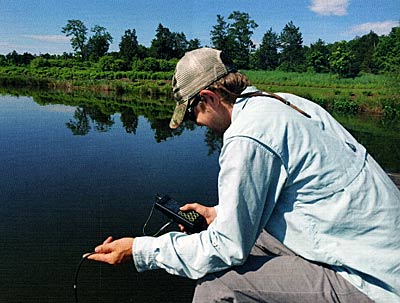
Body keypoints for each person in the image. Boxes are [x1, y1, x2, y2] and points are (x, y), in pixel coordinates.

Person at [86, 48, 400, 303]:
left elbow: (227, 248)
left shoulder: (246, 137)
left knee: (216, 288)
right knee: (249, 237)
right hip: (379, 247)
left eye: (193, 111)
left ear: (208, 97)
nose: (195, 122)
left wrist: (139, 250)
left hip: (374, 278)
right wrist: (220, 215)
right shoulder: (284, 102)